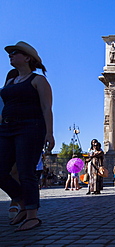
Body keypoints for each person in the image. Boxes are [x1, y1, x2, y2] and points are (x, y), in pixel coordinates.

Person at [0, 41, 54, 231]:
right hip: (7, 128)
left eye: (15, 53)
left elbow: (47, 108)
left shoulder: (38, 80)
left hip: (30, 128)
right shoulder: (10, 81)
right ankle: (21, 198)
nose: (10, 55)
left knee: (26, 172)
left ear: (27, 58)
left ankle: (32, 215)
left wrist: (49, 133)